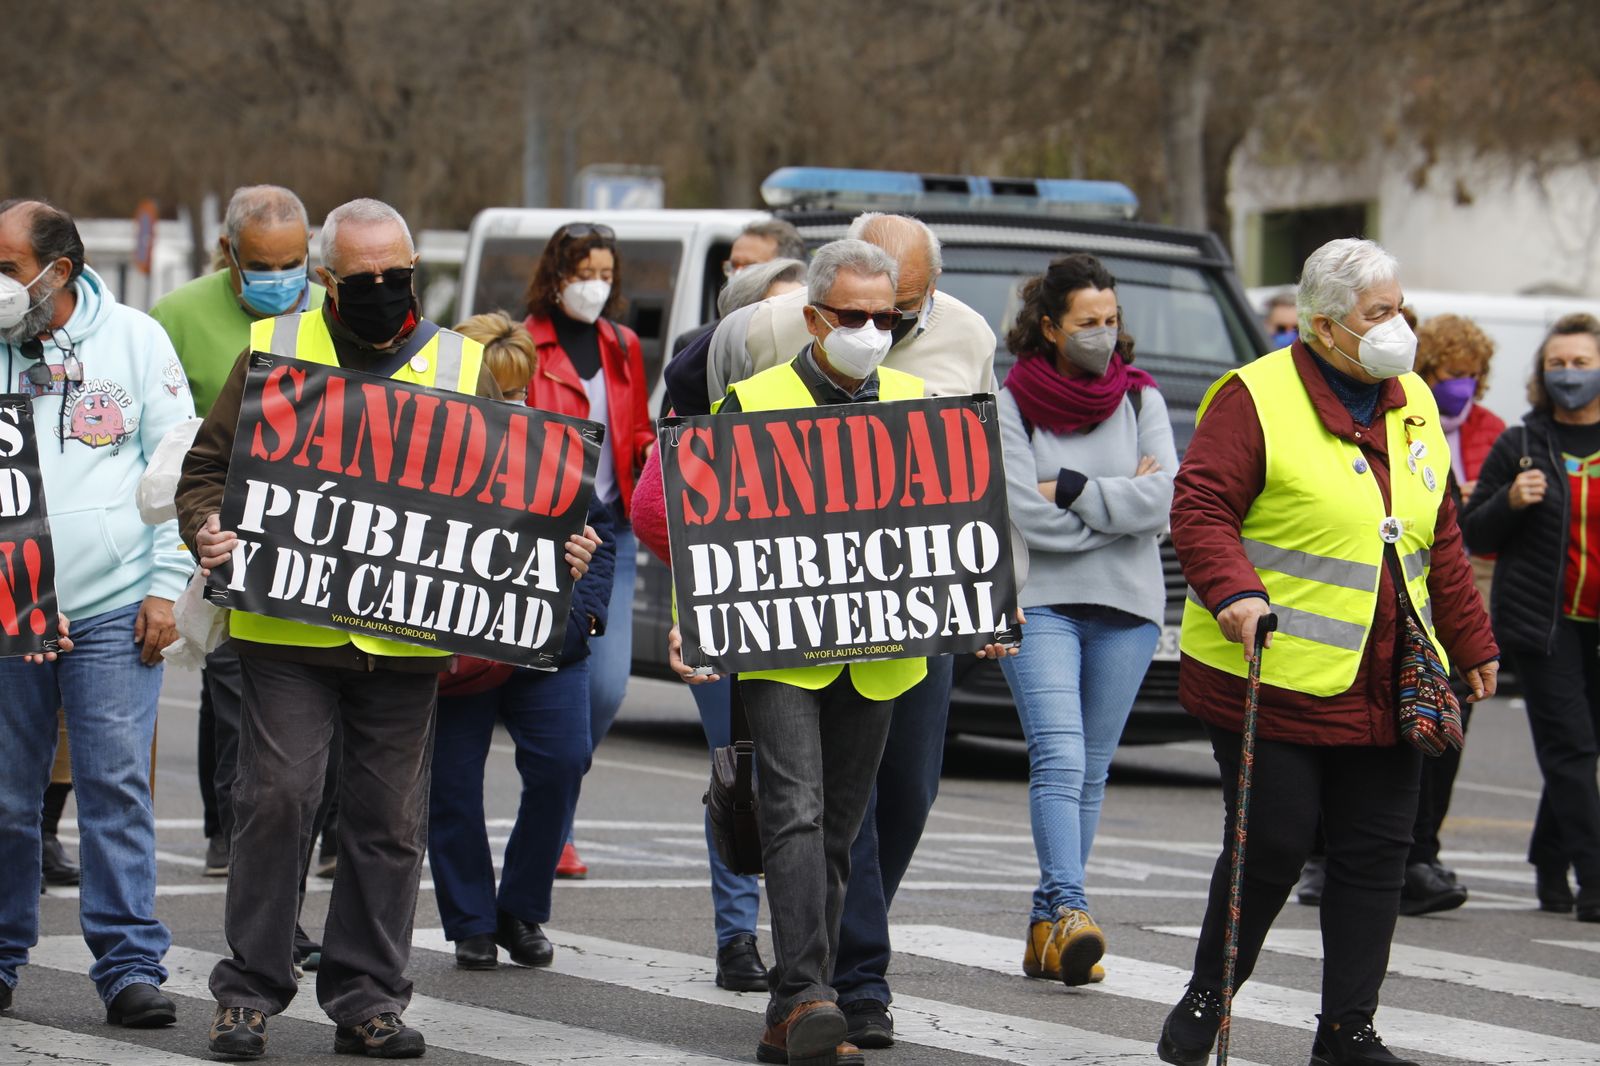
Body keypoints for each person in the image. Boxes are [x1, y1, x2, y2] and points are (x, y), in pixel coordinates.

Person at [176, 198, 599, 1060]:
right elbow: (207, 471)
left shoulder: (460, 362)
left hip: (407, 643)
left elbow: (509, 493)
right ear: (328, 280)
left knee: (387, 823)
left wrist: (560, 545)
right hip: (288, 633)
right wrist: (206, 527)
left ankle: (367, 998)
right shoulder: (275, 349)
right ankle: (248, 991)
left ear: (415, 273)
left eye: (396, 275)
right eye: (363, 278)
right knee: (277, 801)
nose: (382, 289)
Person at [671, 239, 1015, 1066]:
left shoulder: (920, 405)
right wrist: (690, 619)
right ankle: (805, 997)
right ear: (815, 317)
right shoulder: (754, 402)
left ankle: (800, 1000)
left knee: (839, 828)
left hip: (883, 651)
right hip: (781, 647)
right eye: (854, 316)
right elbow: (708, 519)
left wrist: (988, 600)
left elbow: (958, 520)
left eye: (885, 318)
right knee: (794, 809)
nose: (870, 332)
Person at [1159, 238, 1499, 1066]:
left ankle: (1347, 1031)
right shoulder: (1254, 396)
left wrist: (1470, 637)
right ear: (1322, 325)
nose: (1398, 327)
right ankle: (1210, 991)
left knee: (1377, 855)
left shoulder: (1413, 399)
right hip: (1272, 671)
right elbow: (1201, 508)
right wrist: (1235, 592)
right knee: (1273, 845)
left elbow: (1439, 532)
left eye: (1399, 308)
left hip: (1389, 673)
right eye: (1378, 313)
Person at [0, 199, 193, 1026]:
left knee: (114, 786)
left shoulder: (137, 341)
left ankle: (129, 966)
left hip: (116, 604)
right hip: (9, 611)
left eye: (7, 268)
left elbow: (178, 466)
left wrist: (166, 585)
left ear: (59, 272)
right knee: (7, 798)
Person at [996, 254, 1175, 986]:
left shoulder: (1140, 396)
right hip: (1041, 602)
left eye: (1111, 320)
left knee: (1092, 772)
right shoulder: (1010, 402)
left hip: (1128, 607)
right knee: (1060, 758)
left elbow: (1162, 501)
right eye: (1087, 322)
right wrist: (1116, 506)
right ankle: (1071, 907)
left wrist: (1069, 486)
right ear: (1049, 327)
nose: (1103, 333)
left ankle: (1047, 929)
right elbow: (1021, 510)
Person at [633, 255, 806, 991]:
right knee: (742, 772)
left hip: (815, 612)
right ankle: (738, 936)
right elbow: (655, 512)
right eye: (784, 313)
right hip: (726, 610)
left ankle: (810, 941)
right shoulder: (701, 397)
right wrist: (711, 583)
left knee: (807, 787)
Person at [149, 184, 329, 882]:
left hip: (315, 537)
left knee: (316, 693)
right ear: (228, 252)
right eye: (262, 266)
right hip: (218, 534)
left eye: (293, 264)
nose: (281, 280)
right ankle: (227, 827)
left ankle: (320, 827)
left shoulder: (335, 310)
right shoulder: (176, 317)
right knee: (227, 685)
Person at [427, 313, 616, 971]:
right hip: (456, 645)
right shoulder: (423, 450)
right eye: (497, 392)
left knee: (563, 762)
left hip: (547, 641)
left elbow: (599, 534)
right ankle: (471, 921)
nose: (513, 405)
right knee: (452, 784)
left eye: (519, 390)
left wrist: (584, 612)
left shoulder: (555, 446)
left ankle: (521, 907)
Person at [521, 221, 654, 879]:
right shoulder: (526, 343)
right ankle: (554, 826)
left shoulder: (622, 345)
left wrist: (653, 457)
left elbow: (636, 429)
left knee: (606, 687)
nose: (596, 287)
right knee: (547, 683)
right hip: (542, 533)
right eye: (583, 275)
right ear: (556, 277)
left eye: (606, 275)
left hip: (611, 534)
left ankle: (557, 810)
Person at [1461, 312, 1600, 924]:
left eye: (1581, 363)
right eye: (1557, 364)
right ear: (1541, 374)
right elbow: (1473, 533)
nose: (1569, 374)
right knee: (1571, 747)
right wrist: (1510, 501)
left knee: (1584, 750)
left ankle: (1548, 857)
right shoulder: (1520, 444)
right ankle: (1594, 882)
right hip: (1545, 625)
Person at [1397, 313, 1506, 915]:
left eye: (1470, 374)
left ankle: (1421, 851)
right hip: (1405, 590)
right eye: (1448, 373)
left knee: (1446, 723)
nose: (1459, 384)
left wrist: (1474, 644)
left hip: (1460, 589)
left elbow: (1458, 540)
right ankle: (1341, 857)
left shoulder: (1493, 431)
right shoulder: (1409, 420)